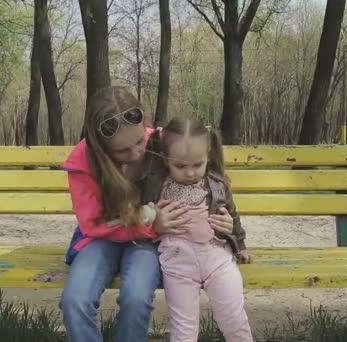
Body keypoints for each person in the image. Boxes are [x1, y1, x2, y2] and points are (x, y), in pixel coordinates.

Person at [59, 87, 234, 342]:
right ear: (100, 146)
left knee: (137, 297)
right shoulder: (83, 163)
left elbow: (201, 177)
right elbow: (93, 224)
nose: (136, 153)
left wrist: (223, 220)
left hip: (147, 240)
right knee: (75, 301)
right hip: (102, 237)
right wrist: (152, 226)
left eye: (139, 141)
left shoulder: (161, 142)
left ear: (146, 126)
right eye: (122, 151)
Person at [140, 117, 254, 342]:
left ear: (208, 157)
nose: (190, 173)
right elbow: (139, 215)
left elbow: (231, 214)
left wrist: (239, 244)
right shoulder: (155, 185)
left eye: (197, 165)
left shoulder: (217, 183)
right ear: (165, 160)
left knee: (234, 319)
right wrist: (151, 221)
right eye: (180, 166)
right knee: (183, 330)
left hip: (217, 258)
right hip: (178, 263)